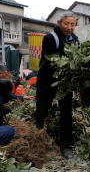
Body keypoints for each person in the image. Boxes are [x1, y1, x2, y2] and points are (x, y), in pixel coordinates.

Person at [35, 11, 79, 160]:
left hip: (64, 84)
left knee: (66, 115)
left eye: (72, 24)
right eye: (66, 23)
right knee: (41, 112)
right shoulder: (49, 39)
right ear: (59, 23)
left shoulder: (76, 40)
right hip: (46, 82)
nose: (69, 27)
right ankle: (37, 132)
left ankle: (65, 146)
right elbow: (55, 61)